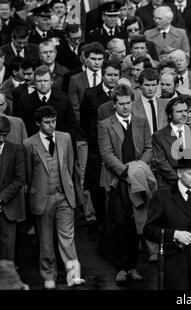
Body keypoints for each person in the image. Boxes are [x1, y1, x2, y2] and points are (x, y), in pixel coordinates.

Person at [23, 105, 85, 289]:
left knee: (67, 237)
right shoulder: (28, 144)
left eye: (53, 121)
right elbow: (28, 173)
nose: (51, 125)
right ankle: (48, 275)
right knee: (46, 239)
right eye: (47, 122)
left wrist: (70, 187)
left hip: (64, 194)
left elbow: (70, 164)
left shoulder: (65, 137)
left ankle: (73, 275)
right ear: (38, 123)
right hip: (43, 197)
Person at [98, 83, 152, 284]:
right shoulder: (105, 124)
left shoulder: (141, 121)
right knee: (118, 223)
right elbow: (106, 153)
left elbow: (148, 147)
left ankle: (133, 266)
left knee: (135, 222)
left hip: (137, 178)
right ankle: (120, 268)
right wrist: (124, 171)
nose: (125, 107)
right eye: (121, 104)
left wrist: (137, 169)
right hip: (116, 181)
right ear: (114, 104)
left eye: (128, 103)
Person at [143, 157, 191, 290]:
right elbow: (149, 230)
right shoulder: (161, 197)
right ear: (179, 173)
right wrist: (174, 234)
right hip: (175, 270)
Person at [80, 60, 121, 231]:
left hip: (117, 149)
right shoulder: (90, 94)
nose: (112, 78)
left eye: (116, 75)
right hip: (97, 151)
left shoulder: (123, 95)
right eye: (109, 75)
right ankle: (100, 226)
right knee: (97, 190)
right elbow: (84, 120)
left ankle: (112, 228)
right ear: (103, 75)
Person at [0, 116, 25, 262]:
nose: (2, 139)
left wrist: (1, 198)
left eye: (5, 135)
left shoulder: (15, 149)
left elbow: (20, 178)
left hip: (8, 208)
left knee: (8, 251)